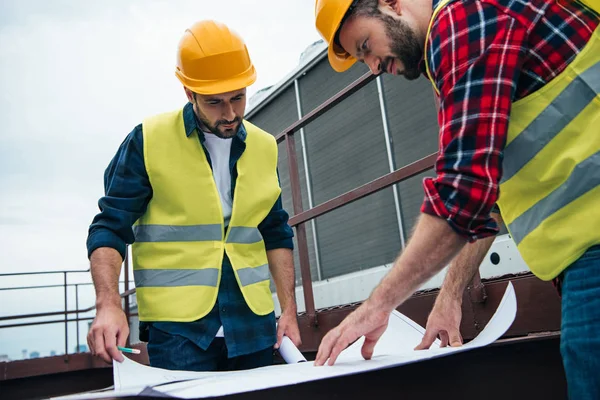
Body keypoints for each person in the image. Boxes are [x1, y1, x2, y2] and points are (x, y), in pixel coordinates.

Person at [313, 0, 599, 397]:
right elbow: (486, 194)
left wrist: (375, 307)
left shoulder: (462, 18)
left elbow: (462, 194)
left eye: (365, 47)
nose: (374, 67)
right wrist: (450, 297)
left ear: (391, 4)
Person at [86, 20, 301, 372]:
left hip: (254, 324)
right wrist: (108, 302)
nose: (230, 113)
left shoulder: (263, 147)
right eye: (215, 102)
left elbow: (276, 231)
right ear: (189, 92)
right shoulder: (147, 142)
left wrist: (290, 311)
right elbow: (110, 226)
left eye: (238, 97)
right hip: (179, 332)